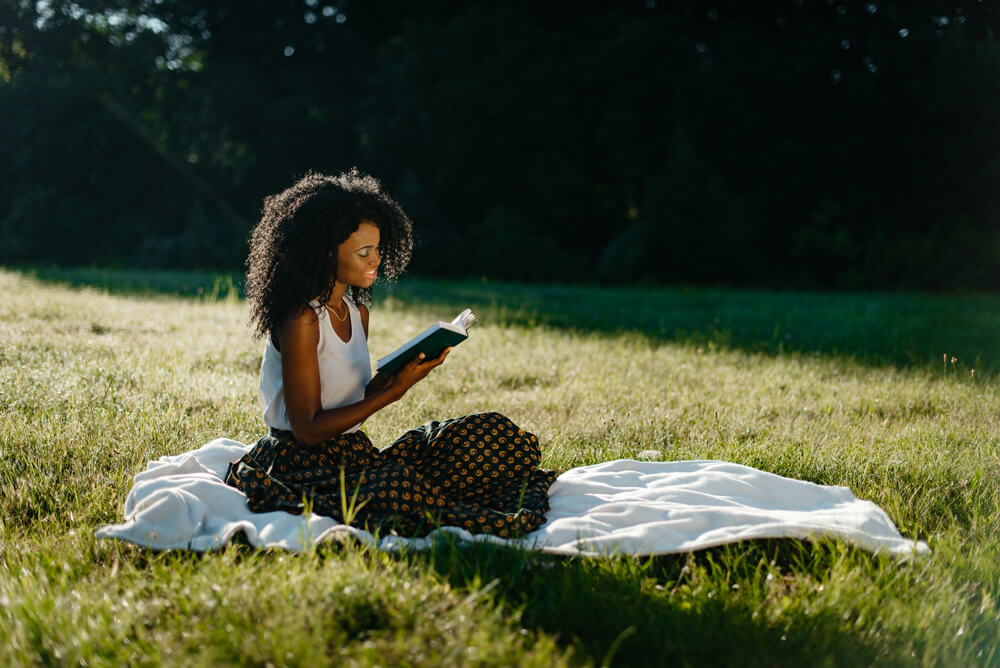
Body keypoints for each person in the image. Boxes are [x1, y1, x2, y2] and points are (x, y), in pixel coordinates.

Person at [225, 169, 557, 538]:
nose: (376, 260)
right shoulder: (301, 319)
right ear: (325, 252)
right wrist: (391, 394)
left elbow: (350, 397)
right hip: (299, 465)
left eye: (378, 249)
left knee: (485, 436)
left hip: (354, 455)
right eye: (363, 252)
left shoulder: (355, 311)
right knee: (401, 486)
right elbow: (307, 430)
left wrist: (403, 375)